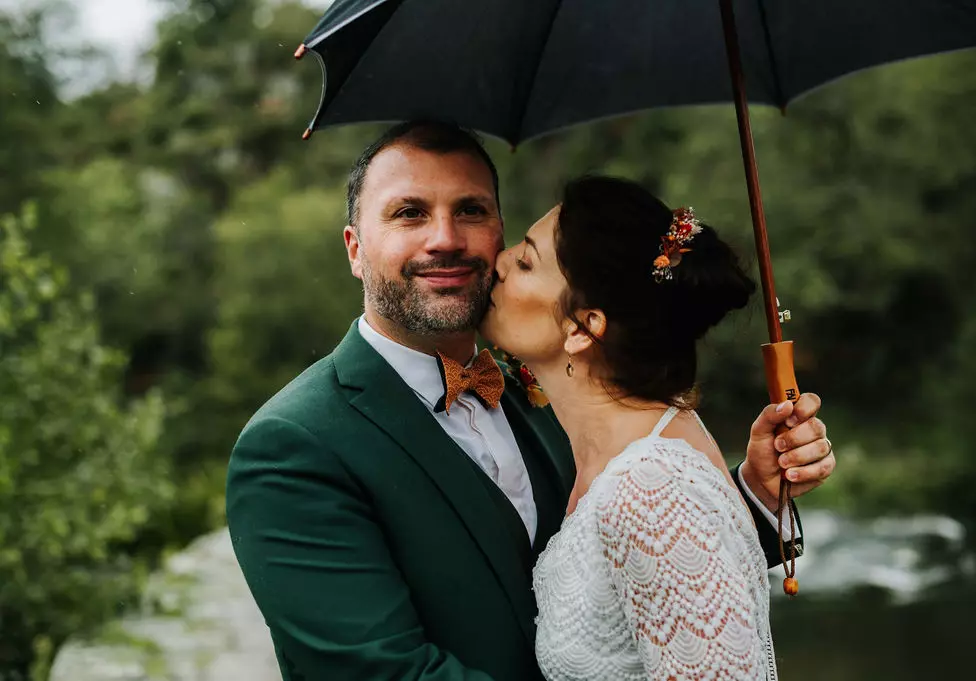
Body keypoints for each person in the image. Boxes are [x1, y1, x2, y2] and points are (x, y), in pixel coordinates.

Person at [226, 121, 834, 681]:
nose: (445, 239)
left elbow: (641, 573)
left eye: (471, 211)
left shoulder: (550, 390)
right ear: (356, 248)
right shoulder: (294, 445)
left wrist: (749, 493)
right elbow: (383, 673)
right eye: (410, 213)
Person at [481, 175, 791, 680]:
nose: (498, 260)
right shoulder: (622, 452)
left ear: (585, 327)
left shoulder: (651, 489)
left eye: (525, 262)